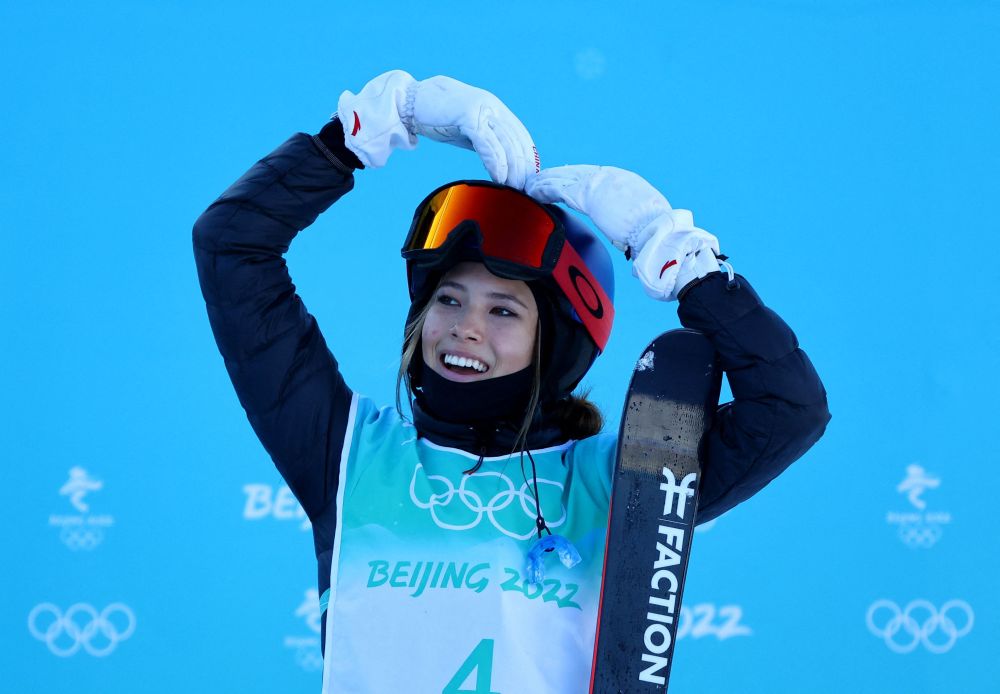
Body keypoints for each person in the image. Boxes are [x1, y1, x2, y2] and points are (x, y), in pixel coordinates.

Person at [193, 70, 830, 692]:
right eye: (448, 299)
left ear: (552, 346)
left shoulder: (627, 483)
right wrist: (359, 134)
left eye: (503, 310)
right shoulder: (343, 454)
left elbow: (789, 408)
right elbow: (231, 246)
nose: (464, 328)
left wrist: (693, 270)